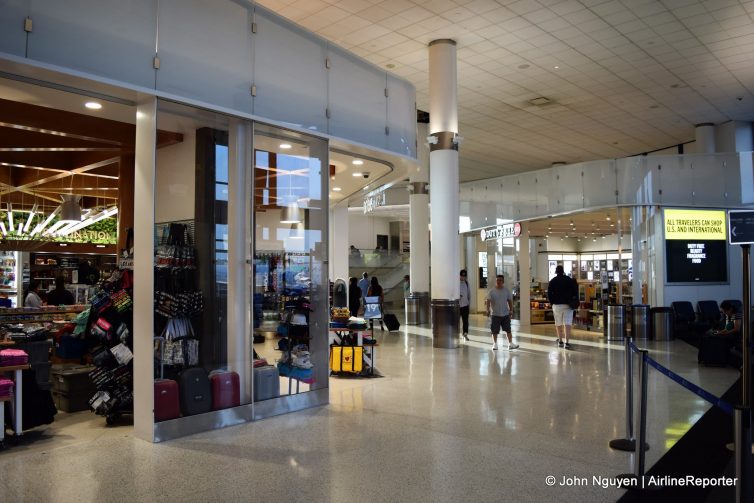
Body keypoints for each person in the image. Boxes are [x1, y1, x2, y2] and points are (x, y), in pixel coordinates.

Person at [699, 300, 742, 365]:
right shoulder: (729, 315)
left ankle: (712, 358)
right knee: (707, 335)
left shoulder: (737, 314)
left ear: (730, 309)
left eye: (725, 311)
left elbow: (737, 329)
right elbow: (727, 328)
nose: (724, 313)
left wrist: (723, 333)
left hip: (737, 336)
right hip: (729, 333)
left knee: (712, 336)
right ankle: (703, 358)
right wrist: (719, 332)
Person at [548, 265, 578, 350]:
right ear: (563, 271)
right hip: (568, 305)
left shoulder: (553, 281)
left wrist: (552, 302)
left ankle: (560, 341)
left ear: (556, 272)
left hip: (557, 305)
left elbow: (549, 294)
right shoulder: (569, 280)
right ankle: (567, 342)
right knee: (568, 323)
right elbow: (575, 291)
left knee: (558, 323)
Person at [485, 274, 517, 350]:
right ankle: (495, 344)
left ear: (503, 281)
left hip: (505, 314)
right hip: (495, 314)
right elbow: (488, 301)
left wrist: (511, 310)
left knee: (508, 329)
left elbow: (509, 301)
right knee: (494, 331)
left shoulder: (506, 291)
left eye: (500, 280)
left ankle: (510, 344)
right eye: (497, 280)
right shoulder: (492, 291)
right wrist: (488, 310)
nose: (498, 281)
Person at [459, 269, 471, 341]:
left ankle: (465, 334)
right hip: (458, 306)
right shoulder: (456, 283)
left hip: (465, 306)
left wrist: (469, 303)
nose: (463, 277)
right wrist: (458, 296)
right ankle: (455, 334)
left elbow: (469, 294)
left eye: (464, 276)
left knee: (465, 321)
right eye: (462, 276)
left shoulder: (467, 283)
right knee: (456, 321)